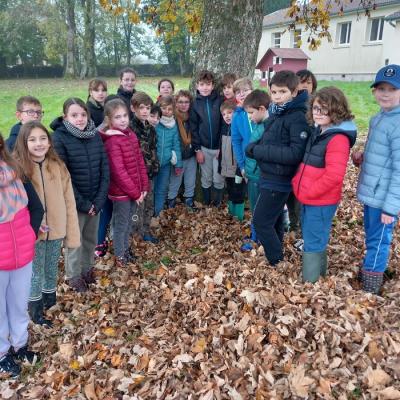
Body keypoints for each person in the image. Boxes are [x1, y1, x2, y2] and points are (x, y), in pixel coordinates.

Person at [13, 121, 80, 325]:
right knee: (35, 273)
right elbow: (15, 205)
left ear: (50, 142)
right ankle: (35, 311)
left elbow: (69, 199)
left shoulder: (57, 166)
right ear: (24, 143)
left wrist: (70, 230)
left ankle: (49, 302)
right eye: (32, 139)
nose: (39, 143)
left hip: (56, 228)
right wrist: (32, 225)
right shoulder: (18, 168)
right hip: (33, 232)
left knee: (51, 268)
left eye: (43, 138)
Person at [292, 87, 357, 283]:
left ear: (336, 110)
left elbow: (334, 176)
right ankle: (319, 276)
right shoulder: (320, 131)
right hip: (310, 197)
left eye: (324, 109)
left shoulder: (337, 138)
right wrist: (298, 183)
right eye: (316, 108)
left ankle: (310, 283)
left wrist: (309, 192)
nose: (318, 113)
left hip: (320, 200)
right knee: (314, 237)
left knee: (313, 240)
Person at [246, 70, 309, 266]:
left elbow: (294, 154)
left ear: (294, 91)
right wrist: (254, 147)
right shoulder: (277, 113)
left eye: (282, 92)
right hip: (269, 174)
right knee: (274, 219)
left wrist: (259, 152)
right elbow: (267, 140)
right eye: (274, 92)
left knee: (261, 221)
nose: (277, 96)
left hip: (279, 178)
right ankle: (278, 252)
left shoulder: (297, 117)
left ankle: (276, 259)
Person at [51, 98, 109, 292]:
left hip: (95, 199)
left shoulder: (94, 135)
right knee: (74, 241)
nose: (79, 119)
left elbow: (104, 168)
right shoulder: (60, 138)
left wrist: (99, 200)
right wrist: (84, 204)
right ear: (65, 116)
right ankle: (73, 275)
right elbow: (63, 176)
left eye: (83, 115)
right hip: (75, 202)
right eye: (74, 115)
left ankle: (87, 269)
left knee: (90, 238)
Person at [353, 64, 400, 294]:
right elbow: (383, 156)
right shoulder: (378, 118)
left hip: (384, 200)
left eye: (392, 89)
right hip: (373, 193)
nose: (385, 93)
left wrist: (391, 208)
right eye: (381, 88)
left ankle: (371, 287)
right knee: (372, 237)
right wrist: (363, 157)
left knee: (379, 240)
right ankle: (369, 269)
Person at [0, 133, 44, 377]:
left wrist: (30, 233)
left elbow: (36, 207)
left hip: (22, 254)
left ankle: (20, 345)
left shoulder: (15, 171)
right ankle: (2, 354)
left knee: (18, 306)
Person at [100, 99, 149, 267]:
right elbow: (119, 172)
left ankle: (126, 250)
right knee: (121, 224)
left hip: (134, 191)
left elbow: (139, 163)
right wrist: (135, 193)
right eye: (117, 117)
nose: (122, 120)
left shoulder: (130, 135)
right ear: (109, 120)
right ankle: (120, 255)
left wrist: (143, 187)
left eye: (125, 116)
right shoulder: (112, 141)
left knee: (129, 222)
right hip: (121, 193)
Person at [190, 70, 224, 206]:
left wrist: (222, 147)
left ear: (213, 85)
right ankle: (207, 202)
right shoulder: (195, 104)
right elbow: (194, 128)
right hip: (203, 148)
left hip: (219, 149)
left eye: (208, 84)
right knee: (206, 178)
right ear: (197, 86)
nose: (205, 87)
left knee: (219, 178)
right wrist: (198, 150)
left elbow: (224, 125)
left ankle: (217, 204)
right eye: (202, 84)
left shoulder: (220, 101)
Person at [242, 89, 271, 250]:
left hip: (260, 175)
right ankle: (255, 235)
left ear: (261, 109)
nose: (250, 117)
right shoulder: (259, 125)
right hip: (252, 174)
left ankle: (258, 238)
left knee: (259, 208)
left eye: (251, 113)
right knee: (254, 207)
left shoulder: (267, 127)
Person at [130, 92, 160, 243]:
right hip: (136, 176)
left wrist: (155, 165)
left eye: (147, 108)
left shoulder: (150, 128)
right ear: (133, 108)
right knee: (137, 207)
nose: (145, 111)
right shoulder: (130, 129)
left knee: (149, 203)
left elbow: (154, 149)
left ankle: (146, 230)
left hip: (150, 173)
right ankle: (135, 234)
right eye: (141, 108)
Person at [167, 90, 197, 209]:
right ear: (176, 103)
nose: (183, 105)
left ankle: (189, 199)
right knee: (175, 180)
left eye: (186, 102)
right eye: (180, 102)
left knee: (191, 179)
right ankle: (171, 200)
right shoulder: (173, 118)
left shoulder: (192, 117)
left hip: (191, 154)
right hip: (178, 156)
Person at [154, 95, 182, 216]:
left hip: (165, 164)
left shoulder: (174, 125)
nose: (166, 111)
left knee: (161, 190)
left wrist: (178, 164)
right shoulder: (155, 122)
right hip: (152, 164)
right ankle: (148, 213)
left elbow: (176, 145)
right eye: (164, 108)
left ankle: (158, 214)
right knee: (151, 190)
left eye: (169, 109)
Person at [219, 100, 245, 219]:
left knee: (238, 190)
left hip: (238, 167)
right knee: (230, 189)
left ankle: (238, 216)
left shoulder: (240, 128)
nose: (227, 116)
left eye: (230, 113)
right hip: (227, 166)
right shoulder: (224, 128)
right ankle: (231, 213)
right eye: (224, 114)